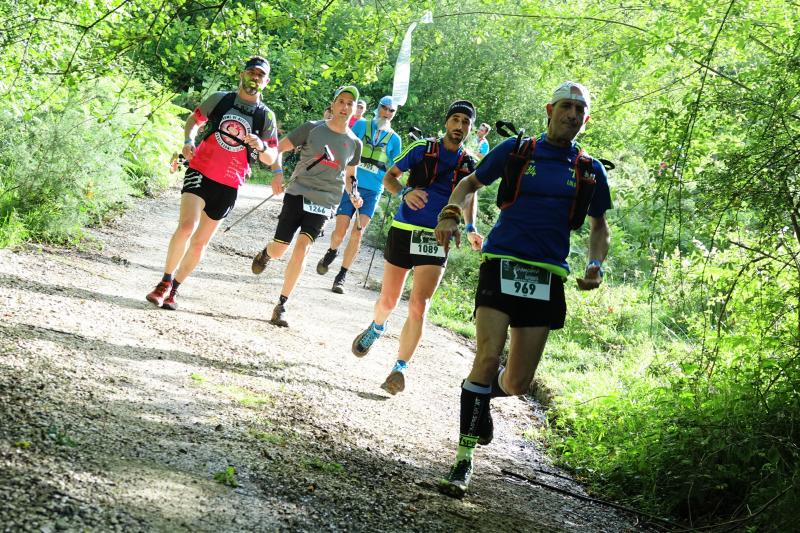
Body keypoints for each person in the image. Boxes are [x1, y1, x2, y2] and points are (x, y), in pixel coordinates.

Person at [434, 81, 612, 498]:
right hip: (502, 263)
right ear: (550, 109)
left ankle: (484, 397)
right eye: (566, 106)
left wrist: (595, 264)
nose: (572, 114)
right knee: (487, 354)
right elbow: (467, 185)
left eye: (579, 110)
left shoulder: (589, 169)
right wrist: (449, 214)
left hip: (548, 274)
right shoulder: (518, 151)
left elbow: (600, 226)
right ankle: (463, 459)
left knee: (517, 383)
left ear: (586, 119)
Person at [350, 100, 482, 395]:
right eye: (456, 120)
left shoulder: (469, 163)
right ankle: (377, 328)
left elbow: (470, 196)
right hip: (404, 230)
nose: (459, 127)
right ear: (447, 122)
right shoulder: (423, 148)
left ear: (470, 129)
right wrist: (405, 193)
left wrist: (472, 229)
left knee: (419, 305)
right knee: (388, 301)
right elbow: (389, 177)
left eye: (466, 123)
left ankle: (399, 368)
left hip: (437, 236)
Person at [146, 55, 279, 310]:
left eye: (260, 75)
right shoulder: (221, 99)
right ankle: (164, 281)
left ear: (266, 82)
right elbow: (194, 121)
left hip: (229, 183)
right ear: (242, 74)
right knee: (187, 226)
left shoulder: (266, 117)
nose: (255, 77)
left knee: (199, 243)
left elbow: (271, 156)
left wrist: (261, 146)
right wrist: (188, 141)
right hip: (201, 169)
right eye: (251, 71)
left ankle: (174, 290)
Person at [250, 85, 363, 327]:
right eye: (341, 101)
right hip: (298, 193)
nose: (345, 107)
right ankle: (267, 253)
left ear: (354, 110)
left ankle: (282, 305)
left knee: (302, 248)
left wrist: (354, 193)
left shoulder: (354, 143)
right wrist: (278, 173)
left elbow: (350, 174)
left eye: (349, 104)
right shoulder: (312, 129)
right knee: (281, 249)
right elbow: (277, 148)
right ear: (332, 105)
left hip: (325, 201)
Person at [316, 95, 402, 293]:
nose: (387, 113)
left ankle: (341, 276)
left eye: (391, 111)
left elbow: (397, 166)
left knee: (358, 232)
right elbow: (345, 144)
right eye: (384, 108)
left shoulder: (395, 139)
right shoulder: (362, 125)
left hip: (373, 190)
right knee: (340, 231)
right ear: (378, 108)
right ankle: (331, 252)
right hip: (351, 185)